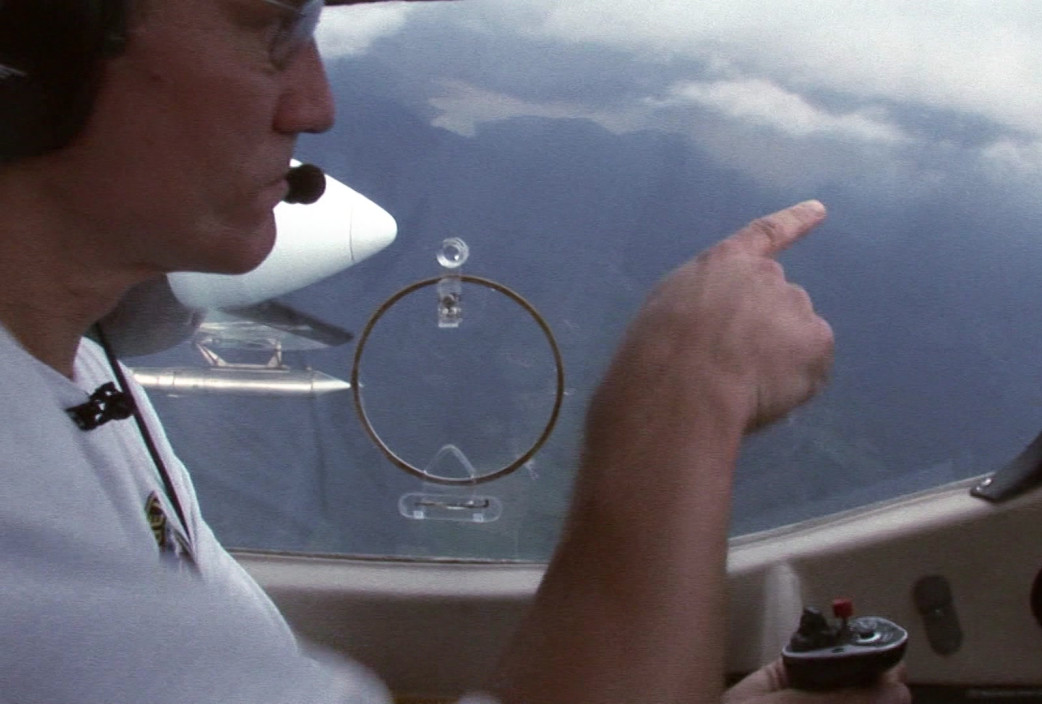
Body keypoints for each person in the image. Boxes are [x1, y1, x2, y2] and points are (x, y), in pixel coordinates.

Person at [0, 1, 909, 702]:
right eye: (273, 28)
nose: (315, 104)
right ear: (27, 57)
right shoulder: (25, 570)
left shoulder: (68, 371)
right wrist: (685, 394)